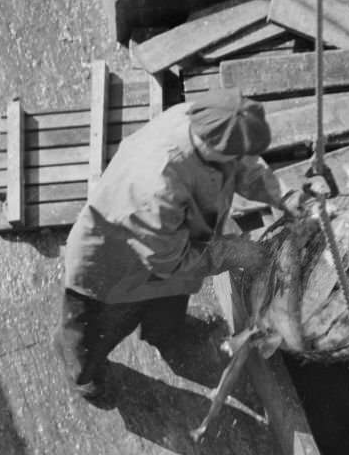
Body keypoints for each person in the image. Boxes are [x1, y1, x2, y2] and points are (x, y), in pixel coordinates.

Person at [54, 89, 294, 400]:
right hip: (113, 267)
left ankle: (163, 335)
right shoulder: (156, 186)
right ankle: (80, 373)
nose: (241, 161)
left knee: (167, 308)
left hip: (178, 247)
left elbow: (245, 166)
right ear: (214, 147)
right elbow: (169, 261)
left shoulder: (207, 123)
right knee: (92, 333)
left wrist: (286, 195)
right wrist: (234, 251)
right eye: (235, 156)